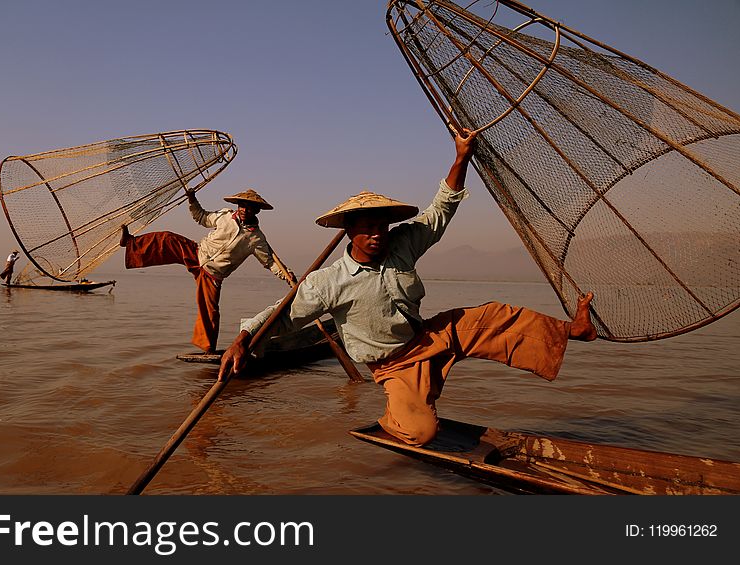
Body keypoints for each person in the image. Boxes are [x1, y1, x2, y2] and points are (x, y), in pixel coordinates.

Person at [219, 129, 597, 447]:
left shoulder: (402, 245)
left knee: (498, 317)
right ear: (348, 231)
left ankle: (572, 330)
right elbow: (284, 316)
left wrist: (461, 157)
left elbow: (441, 211)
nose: (376, 235)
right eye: (366, 228)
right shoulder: (328, 282)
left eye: (381, 226)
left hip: (430, 334)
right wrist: (244, 338)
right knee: (420, 432)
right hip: (394, 365)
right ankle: (393, 416)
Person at [120, 188, 294, 354]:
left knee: (209, 310)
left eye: (249, 208)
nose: (244, 210)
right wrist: (192, 200)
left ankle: (208, 349)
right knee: (166, 238)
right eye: (242, 206)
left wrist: (286, 275)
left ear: (256, 211)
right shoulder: (225, 216)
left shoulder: (256, 238)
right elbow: (201, 217)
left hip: (213, 273)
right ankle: (131, 243)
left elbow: (270, 262)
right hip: (198, 253)